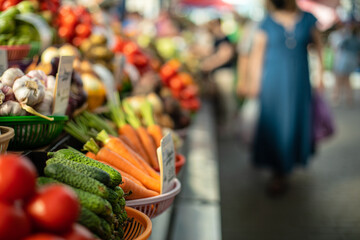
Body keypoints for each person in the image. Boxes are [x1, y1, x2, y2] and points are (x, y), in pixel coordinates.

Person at [247, 0, 324, 195]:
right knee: (276, 125)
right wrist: (254, 83)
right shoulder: (266, 22)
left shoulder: (307, 19)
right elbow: (257, 54)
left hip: (299, 83)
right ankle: (278, 172)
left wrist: (321, 75)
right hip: (273, 83)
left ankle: (287, 165)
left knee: (294, 123)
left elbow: (319, 47)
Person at [200, 18, 236, 135]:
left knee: (227, 101)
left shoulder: (223, 38)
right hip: (219, 74)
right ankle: (225, 125)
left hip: (224, 74)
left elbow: (224, 56)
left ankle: (229, 128)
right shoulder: (217, 39)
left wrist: (208, 65)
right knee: (222, 102)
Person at [330, 22, 360, 105]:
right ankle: (349, 99)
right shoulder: (357, 39)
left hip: (344, 61)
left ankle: (336, 98)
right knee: (347, 80)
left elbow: (339, 47)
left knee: (339, 79)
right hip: (352, 61)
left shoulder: (347, 38)